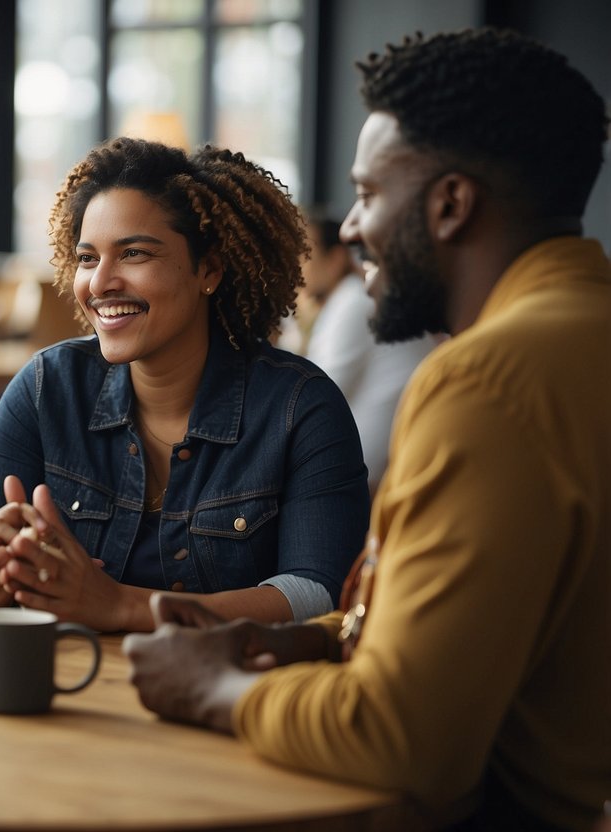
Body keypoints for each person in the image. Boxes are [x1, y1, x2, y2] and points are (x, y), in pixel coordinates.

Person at [124, 28, 610, 831]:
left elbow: (401, 738)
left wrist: (213, 689)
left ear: (449, 205)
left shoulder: (484, 382)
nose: (348, 229)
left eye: (368, 193)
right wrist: (299, 643)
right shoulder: (580, 332)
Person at [0, 137, 370, 633]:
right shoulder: (47, 387)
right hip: (68, 690)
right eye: (86, 258)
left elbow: (321, 593)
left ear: (208, 268)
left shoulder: (300, 406)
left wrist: (121, 606)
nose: (100, 283)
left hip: (228, 698)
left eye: (134, 253)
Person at [299, 208, 436, 494]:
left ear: (335, 259)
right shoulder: (345, 300)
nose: (297, 265)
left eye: (305, 253)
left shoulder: (352, 301)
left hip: (376, 483)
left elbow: (311, 397)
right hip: (382, 473)